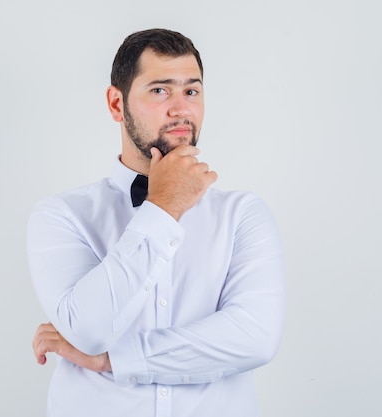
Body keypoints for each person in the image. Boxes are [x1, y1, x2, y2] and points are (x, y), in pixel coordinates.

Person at [27, 28, 285, 417]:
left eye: (191, 91)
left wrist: (113, 359)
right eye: (160, 90)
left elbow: (256, 338)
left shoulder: (242, 214)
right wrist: (164, 207)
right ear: (117, 104)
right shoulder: (61, 216)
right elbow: (89, 330)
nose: (180, 108)